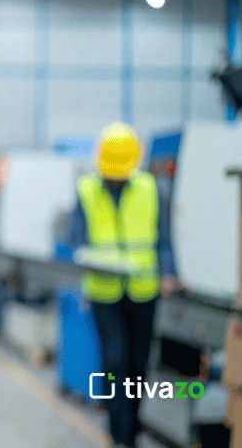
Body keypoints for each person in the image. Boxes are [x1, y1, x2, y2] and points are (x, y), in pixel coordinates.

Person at [68, 122, 178, 448]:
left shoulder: (149, 187)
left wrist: (168, 273)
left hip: (144, 290)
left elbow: (164, 237)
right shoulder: (86, 189)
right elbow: (75, 235)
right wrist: (84, 253)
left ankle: (132, 426)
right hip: (104, 291)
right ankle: (121, 434)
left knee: (138, 365)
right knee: (115, 362)